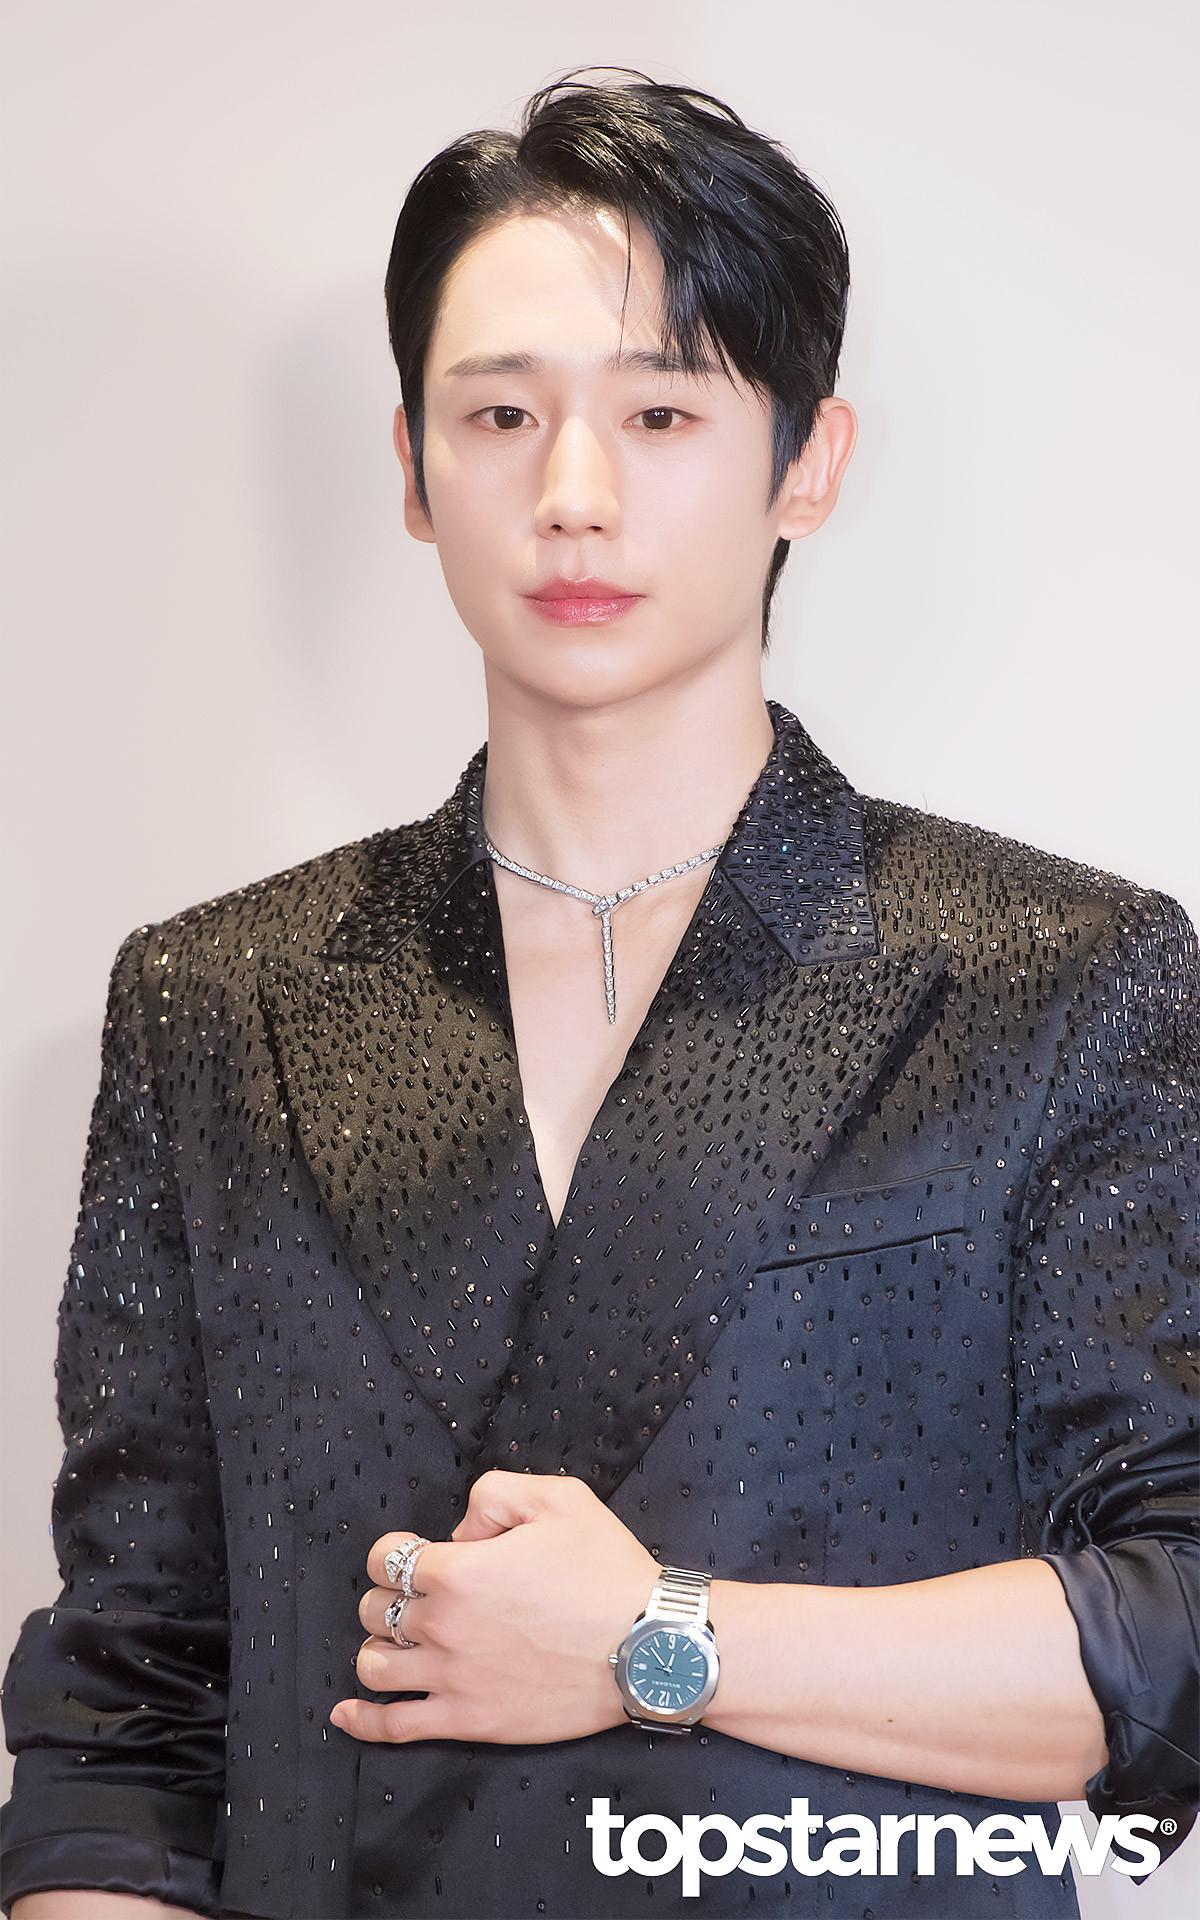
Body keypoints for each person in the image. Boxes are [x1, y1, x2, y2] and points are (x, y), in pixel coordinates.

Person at [2, 70, 1196, 1920]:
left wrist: (659, 1637)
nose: (574, 495)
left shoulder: (1055, 975)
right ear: (412, 470)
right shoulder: (217, 1001)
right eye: (501, 415)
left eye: (661, 411)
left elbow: (1172, 1636)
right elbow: (127, 1704)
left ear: (808, 458)